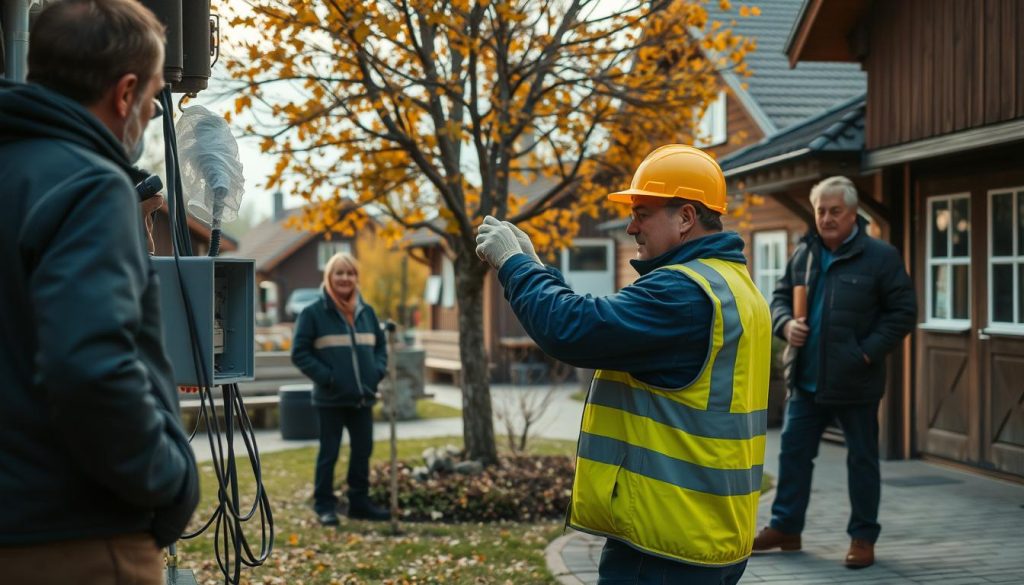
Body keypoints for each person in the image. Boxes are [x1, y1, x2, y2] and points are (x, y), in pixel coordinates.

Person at [476, 145, 772, 584]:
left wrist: (515, 266)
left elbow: (573, 328)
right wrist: (537, 268)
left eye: (642, 212)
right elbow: (595, 320)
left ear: (686, 217)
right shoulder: (734, 285)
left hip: (663, 544)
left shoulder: (682, 294)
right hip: (712, 532)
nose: (631, 226)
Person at [0, 1, 199, 583]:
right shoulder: (90, 185)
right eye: (155, 93)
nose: (152, 108)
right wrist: (168, 481)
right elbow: (90, 367)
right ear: (126, 92)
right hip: (77, 537)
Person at [752, 176, 916, 568]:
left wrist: (865, 353)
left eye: (834, 211)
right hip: (805, 378)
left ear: (853, 212)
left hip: (856, 381)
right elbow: (778, 296)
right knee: (793, 455)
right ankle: (786, 528)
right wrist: (785, 324)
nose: (826, 218)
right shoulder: (804, 252)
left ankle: (863, 537)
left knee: (861, 461)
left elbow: (903, 312)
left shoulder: (881, 256)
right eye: (820, 210)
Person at [292, 252, 391, 525]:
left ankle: (359, 503)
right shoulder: (313, 313)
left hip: (363, 397)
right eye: (340, 273)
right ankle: (324, 505)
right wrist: (329, 378)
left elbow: (381, 347)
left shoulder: (366, 312)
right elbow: (300, 353)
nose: (345, 278)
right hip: (331, 398)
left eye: (350, 273)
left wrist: (377, 371)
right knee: (329, 453)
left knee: (362, 451)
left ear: (356, 278)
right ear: (329, 277)